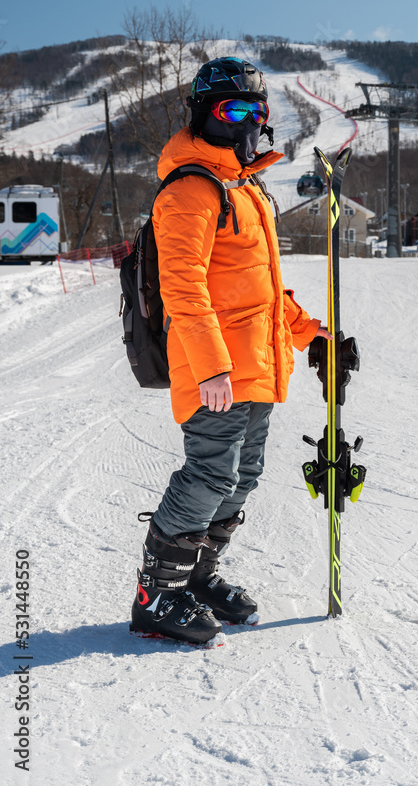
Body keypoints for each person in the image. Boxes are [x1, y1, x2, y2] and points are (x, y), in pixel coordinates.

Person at [130, 56, 330, 644]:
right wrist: (213, 365)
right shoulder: (192, 189)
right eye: (231, 109)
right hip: (214, 368)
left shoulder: (246, 189)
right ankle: (156, 594)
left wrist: (310, 332)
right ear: (202, 115)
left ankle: (196, 577)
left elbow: (263, 287)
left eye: (255, 111)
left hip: (260, 365)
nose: (246, 121)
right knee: (210, 475)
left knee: (243, 476)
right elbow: (182, 285)